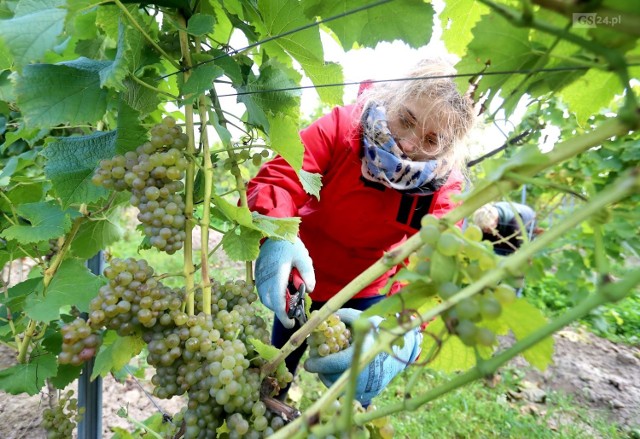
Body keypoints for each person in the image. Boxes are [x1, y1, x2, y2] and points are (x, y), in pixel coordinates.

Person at [247, 58, 476, 405]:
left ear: (450, 146)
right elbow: (283, 176)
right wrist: (277, 232)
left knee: (358, 380)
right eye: (406, 121)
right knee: (280, 360)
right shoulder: (343, 127)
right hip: (302, 271)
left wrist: (403, 335)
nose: (409, 145)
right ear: (393, 99)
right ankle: (270, 405)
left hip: (367, 291)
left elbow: (432, 271)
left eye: (431, 139)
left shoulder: (444, 188)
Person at [472, 201, 540, 256]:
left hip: (528, 223)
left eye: (486, 228)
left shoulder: (514, 224)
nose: (485, 231)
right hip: (504, 226)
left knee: (507, 252)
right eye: (483, 228)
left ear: (495, 220)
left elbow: (520, 247)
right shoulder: (486, 222)